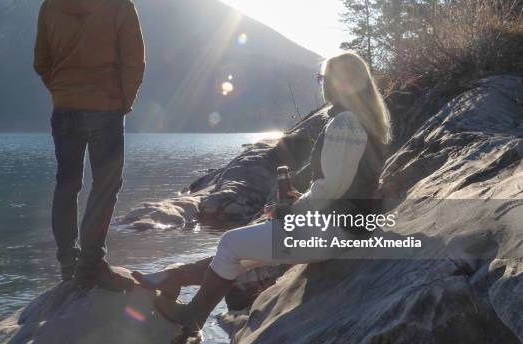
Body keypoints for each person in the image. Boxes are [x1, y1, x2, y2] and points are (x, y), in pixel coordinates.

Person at [133, 52, 391, 340]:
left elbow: (332, 187)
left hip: (337, 231)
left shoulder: (345, 123)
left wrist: (292, 210)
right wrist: (297, 201)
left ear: (337, 82)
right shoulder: (365, 120)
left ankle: (190, 312)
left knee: (230, 243)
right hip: (350, 225)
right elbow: (344, 182)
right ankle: (176, 285)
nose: (322, 84)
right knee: (242, 250)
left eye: (323, 78)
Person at [33, 0, 145, 290]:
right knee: (106, 186)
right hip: (106, 107)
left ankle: (69, 266)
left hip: (65, 109)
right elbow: (134, 60)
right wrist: (124, 102)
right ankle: (91, 265)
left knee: (67, 185)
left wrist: (63, 91)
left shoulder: (50, 6)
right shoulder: (119, 5)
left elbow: (41, 62)